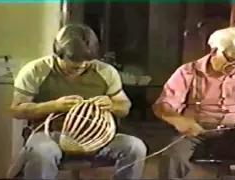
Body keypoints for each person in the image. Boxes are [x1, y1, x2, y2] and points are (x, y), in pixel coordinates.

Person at [9, 24, 147, 180]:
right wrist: (54, 106)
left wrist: (112, 105)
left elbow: (124, 107)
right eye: (73, 62)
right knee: (41, 152)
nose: (81, 66)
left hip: (97, 137)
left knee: (135, 147)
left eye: (87, 61)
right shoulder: (35, 71)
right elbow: (17, 110)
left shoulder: (106, 72)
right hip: (50, 136)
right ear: (58, 52)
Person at [152, 27, 235, 179]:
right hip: (194, 134)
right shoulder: (187, 72)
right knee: (172, 159)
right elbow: (163, 105)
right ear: (214, 51)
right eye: (232, 60)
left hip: (234, 134)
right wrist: (180, 121)